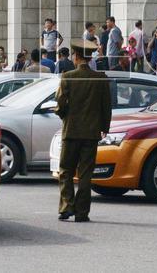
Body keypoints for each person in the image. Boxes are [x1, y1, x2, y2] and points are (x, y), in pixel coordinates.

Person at [55, 40, 111, 223]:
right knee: (86, 173)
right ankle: (82, 213)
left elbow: (61, 103)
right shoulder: (100, 78)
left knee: (65, 170)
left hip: (71, 131)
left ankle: (66, 207)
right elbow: (106, 106)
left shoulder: (68, 77)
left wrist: (63, 115)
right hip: (91, 133)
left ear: (77, 56)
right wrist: (104, 127)